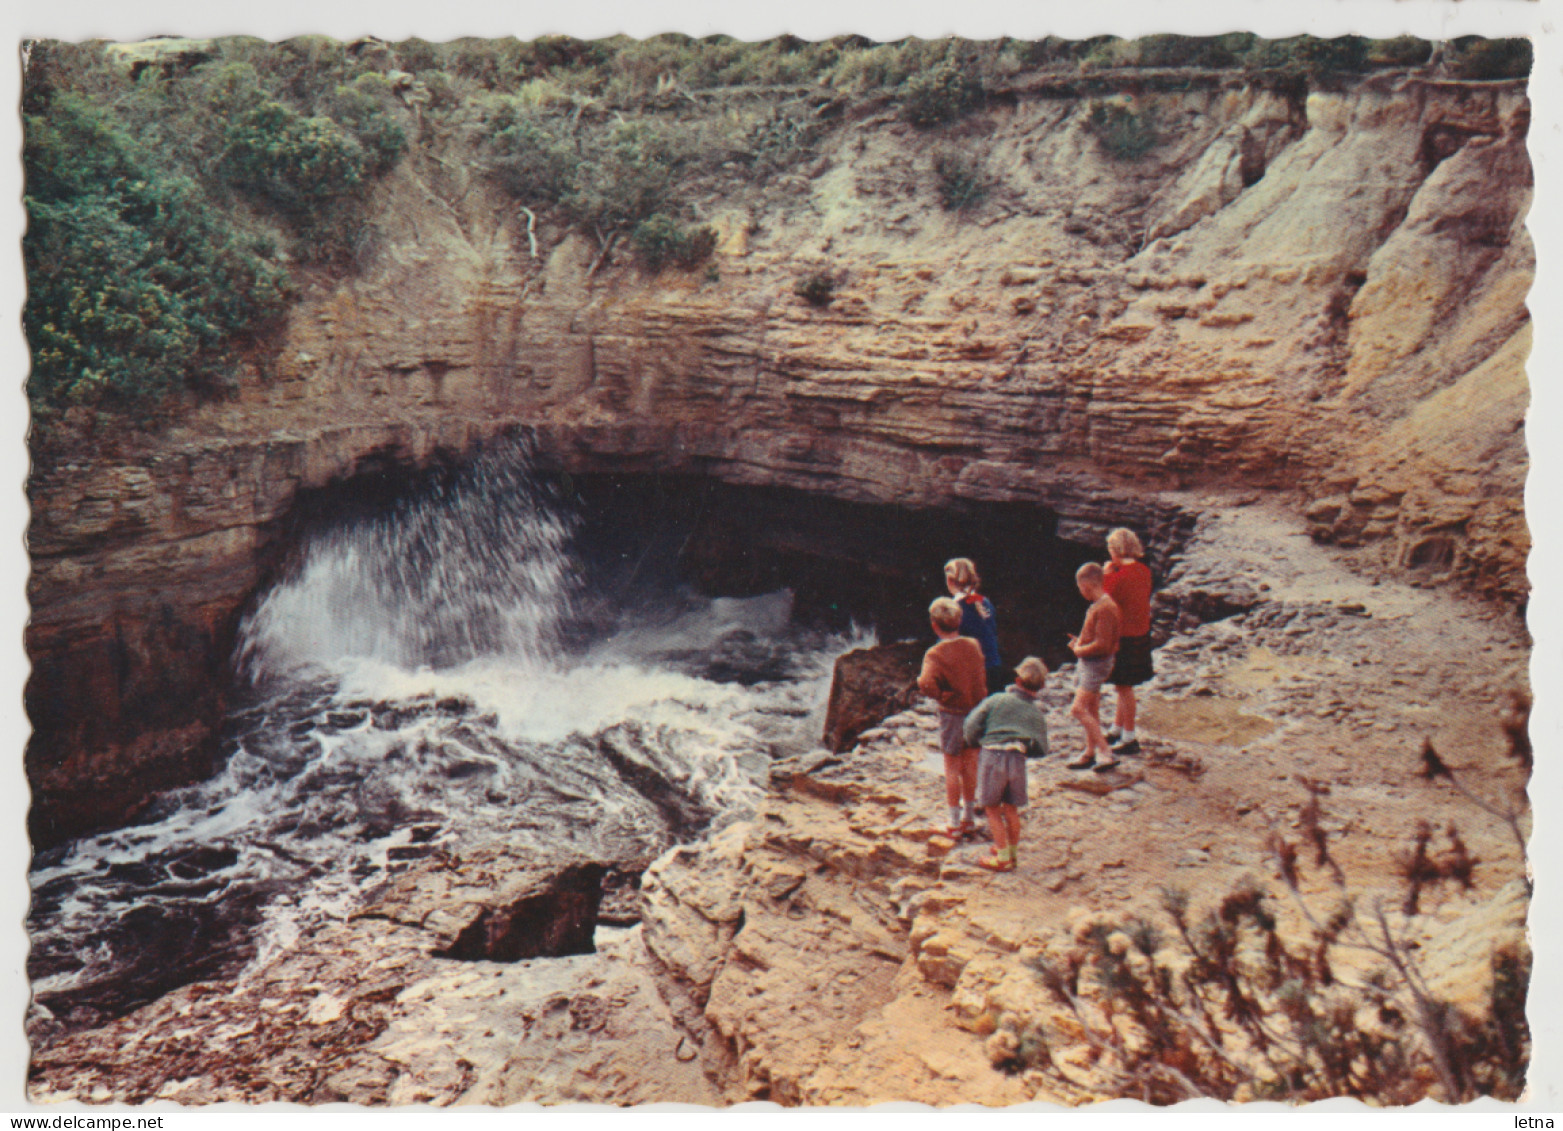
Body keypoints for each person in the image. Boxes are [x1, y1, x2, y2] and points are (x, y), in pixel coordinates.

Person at [963, 656, 1049, 873]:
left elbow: (971, 724)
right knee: (1011, 809)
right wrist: (1028, 751)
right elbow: (1041, 746)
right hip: (1017, 759)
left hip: (993, 756)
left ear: (1018, 680)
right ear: (1041, 686)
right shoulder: (1035, 713)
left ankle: (1002, 859)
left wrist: (975, 742)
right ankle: (1011, 853)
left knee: (992, 809)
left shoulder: (997, 699)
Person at [917, 597, 988, 838]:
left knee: (951, 768)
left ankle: (954, 822)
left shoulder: (935, 653)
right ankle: (969, 818)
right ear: (959, 620)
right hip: (976, 712)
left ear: (934, 625)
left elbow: (925, 683)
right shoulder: (973, 644)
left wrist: (942, 695)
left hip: (953, 715)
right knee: (970, 766)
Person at [1065, 562, 1121, 773]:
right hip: (1090, 662)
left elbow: (1103, 645)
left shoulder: (1105, 608)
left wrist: (1079, 650)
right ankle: (1090, 753)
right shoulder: (1099, 605)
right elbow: (1097, 638)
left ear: (1086, 586)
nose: (1080, 592)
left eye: (1080, 587)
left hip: (1095, 665)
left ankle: (1106, 752)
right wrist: (1080, 642)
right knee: (1091, 709)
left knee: (1078, 709)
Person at [1103, 528, 1154, 757]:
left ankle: (1130, 737)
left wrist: (1106, 574)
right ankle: (1117, 728)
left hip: (1125, 637)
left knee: (1125, 688)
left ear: (1116, 550)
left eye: (1110, 549)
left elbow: (1104, 600)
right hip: (1141, 633)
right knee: (1122, 685)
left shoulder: (1119, 576)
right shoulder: (1143, 571)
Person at [944, 558, 1004, 693]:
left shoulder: (954, 609)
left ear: (950, 581)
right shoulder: (985, 601)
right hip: (994, 667)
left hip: (973, 673)